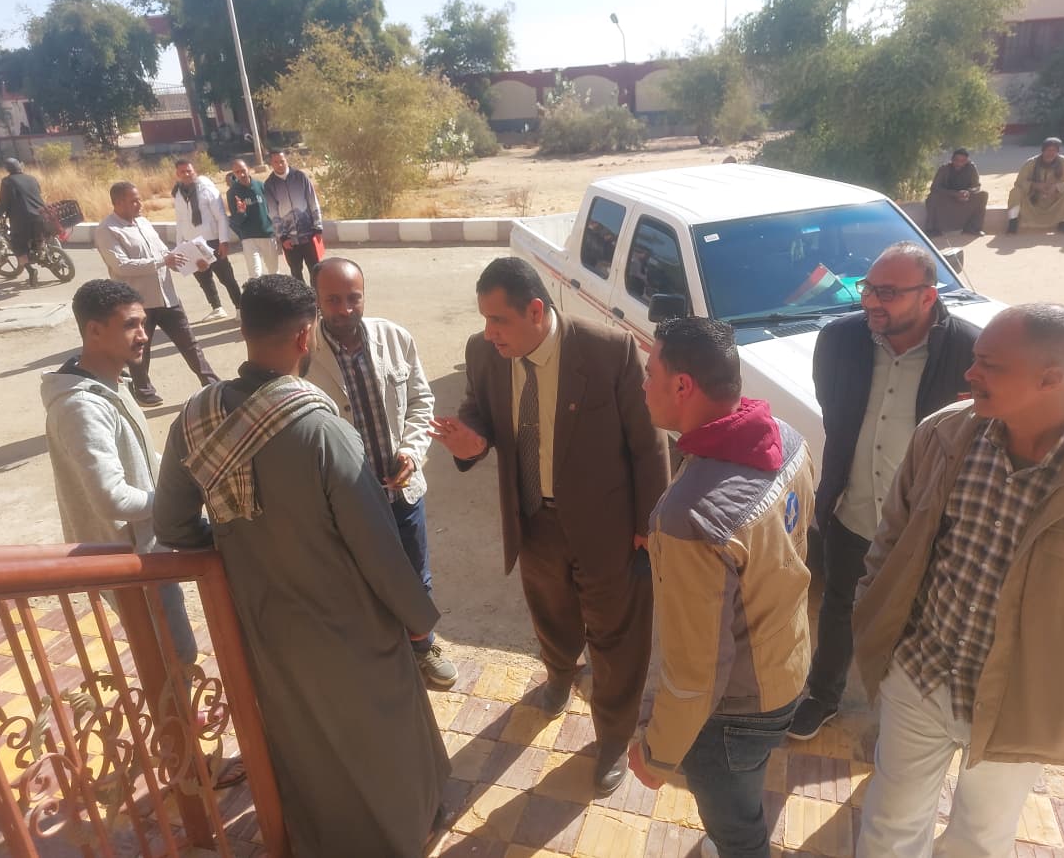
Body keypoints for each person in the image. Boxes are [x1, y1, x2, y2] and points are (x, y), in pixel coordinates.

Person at [154, 274, 450, 855]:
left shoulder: (194, 417)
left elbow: (173, 526)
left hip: (262, 618)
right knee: (382, 725)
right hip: (348, 620)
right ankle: (402, 830)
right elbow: (377, 548)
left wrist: (241, 545)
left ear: (243, 331)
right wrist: (418, 620)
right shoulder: (322, 430)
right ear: (304, 336)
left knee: (301, 733)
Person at [853, 303, 1064, 857]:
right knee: (890, 829)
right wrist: (874, 624)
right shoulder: (943, 434)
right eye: (975, 359)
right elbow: (891, 541)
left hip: (1025, 705)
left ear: (1051, 378)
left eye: (990, 365)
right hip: (918, 675)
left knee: (980, 841)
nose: (970, 373)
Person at [429, 256, 670, 797]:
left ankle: (613, 737)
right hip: (534, 519)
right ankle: (560, 673)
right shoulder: (484, 353)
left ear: (535, 311)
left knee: (617, 638)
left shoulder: (607, 350)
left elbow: (648, 443)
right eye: (484, 320)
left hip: (608, 527)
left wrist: (647, 524)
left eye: (499, 320)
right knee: (551, 613)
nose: (489, 333)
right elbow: (478, 411)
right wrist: (471, 441)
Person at [627, 317, 815, 858]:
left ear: (682, 385)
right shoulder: (788, 438)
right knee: (746, 785)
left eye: (650, 372)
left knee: (736, 827)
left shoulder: (688, 517)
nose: (644, 384)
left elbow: (696, 670)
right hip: (788, 661)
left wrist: (657, 754)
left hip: (735, 709)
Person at [788, 242, 980, 741]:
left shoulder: (970, 351)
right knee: (838, 607)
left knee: (918, 619)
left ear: (928, 296)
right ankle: (823, 695)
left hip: (927, 525)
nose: (872, 301)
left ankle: (902, 716)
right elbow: (832, 408)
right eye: (868, 288)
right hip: (850, 509)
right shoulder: (838, 340)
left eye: (888, 293)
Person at [304, 257, 458, 688]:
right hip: (347, 501)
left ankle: (422, 647)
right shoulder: (303, 354)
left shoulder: (395, 337)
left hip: (402, 493)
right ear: (317, 300)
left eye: (353, 298)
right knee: (357, 582)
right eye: (333, 300)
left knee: (414, 576)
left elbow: (421, 402)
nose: (345, 309)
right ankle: (378, 656)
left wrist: (411, 451)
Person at [41, 280, 198, 672]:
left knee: (171, 654)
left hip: (145, 549)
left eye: (143, 323)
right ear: (94, 330)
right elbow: (112, 498)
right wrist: (175, 501)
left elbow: (140, 459)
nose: (143, 335)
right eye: (130, 325)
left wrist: (191, 474)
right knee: (173, 656)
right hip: (130, 560)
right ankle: (172, 715)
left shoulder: (110, 384)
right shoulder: (82, 407)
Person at [94, 182, 220, 407]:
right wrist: (163, 260)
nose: (140, 204)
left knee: (189, 343)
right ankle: (143, 391)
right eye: (134, 200)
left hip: (166, 296)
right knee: (139, 348)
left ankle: (211, 383)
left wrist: (194, 263)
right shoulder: (107, 230)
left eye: (139, 199)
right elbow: (121, 265)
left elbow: (165, 255)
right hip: (136, 302)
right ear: (118, 203)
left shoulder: (143, 222)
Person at [172, 159, 241, 322]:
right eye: (182, 172)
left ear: (194, 171)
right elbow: (180, 221)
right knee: (203, 278)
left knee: (226, 277)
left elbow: (221, 216)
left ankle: (240, 308)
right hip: (191, 243)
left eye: (189, 171)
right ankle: (217, 308)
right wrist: (179, 246)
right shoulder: (178, 193)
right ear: (177, 174)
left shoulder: (206, 188)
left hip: (212, 241)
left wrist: (223, 241)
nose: (186, 174)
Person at [263, 149, 322, 284]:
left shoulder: (300, 177)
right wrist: (282, 236)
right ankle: (301, 297)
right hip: (289, 239)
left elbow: (312, 201)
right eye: (276, 162)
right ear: (271, 163)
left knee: (315, 269)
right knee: (296, 272)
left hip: (308, 234)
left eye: (282, 161)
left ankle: (317, 296)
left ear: (286, 160)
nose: (280, 165)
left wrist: (318, 226)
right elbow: (273, 213)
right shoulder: (269, 185)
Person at [0, 157, 46, 286]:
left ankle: (31, 271)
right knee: (39, 237)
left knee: (17, 246)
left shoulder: (7, 181)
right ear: (20, 166)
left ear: (7, 169)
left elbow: (3, 203)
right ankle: (42, 251)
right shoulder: (32, 178)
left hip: (22, 220)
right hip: (41, 215)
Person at [1006, 136, 1064, 233]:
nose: (1050, 154)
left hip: (1053, 199)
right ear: (1043, 150)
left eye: (1054, 151)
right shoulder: (1030, 163)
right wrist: (1035, 185)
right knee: (1015, 191)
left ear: (1058, 152)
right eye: (1048, 150)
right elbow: (1019, 183)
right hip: (1034, 200)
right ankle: (1013, 223)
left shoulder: (1063, 162)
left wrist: (1056, 187)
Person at [226, 159, 279, 279]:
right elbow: (235, 221)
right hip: (248, 238)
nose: (241, 174)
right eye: (237, 172)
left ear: (248, 169)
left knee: (274, 272)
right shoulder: (232, 193)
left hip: (267, 234)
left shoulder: (261, 186)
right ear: (234, 174)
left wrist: (275, 228)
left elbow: (272, 208)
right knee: (255, 275)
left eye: (243, 170)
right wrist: (241, 212)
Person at [923, 148, 988, 236]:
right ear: (952, 159)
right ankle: (931, 229)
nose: (959, 163)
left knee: (983, 195)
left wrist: (967, 192)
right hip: (947, 198)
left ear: (967, 161)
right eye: (956, 160)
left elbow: (976, 186)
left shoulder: (971, 168)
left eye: (962, 161)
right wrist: (954, 194)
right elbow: (934, 188)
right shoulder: (944, 169)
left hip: (965, 198)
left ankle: (973, 228)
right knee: (932, 197)